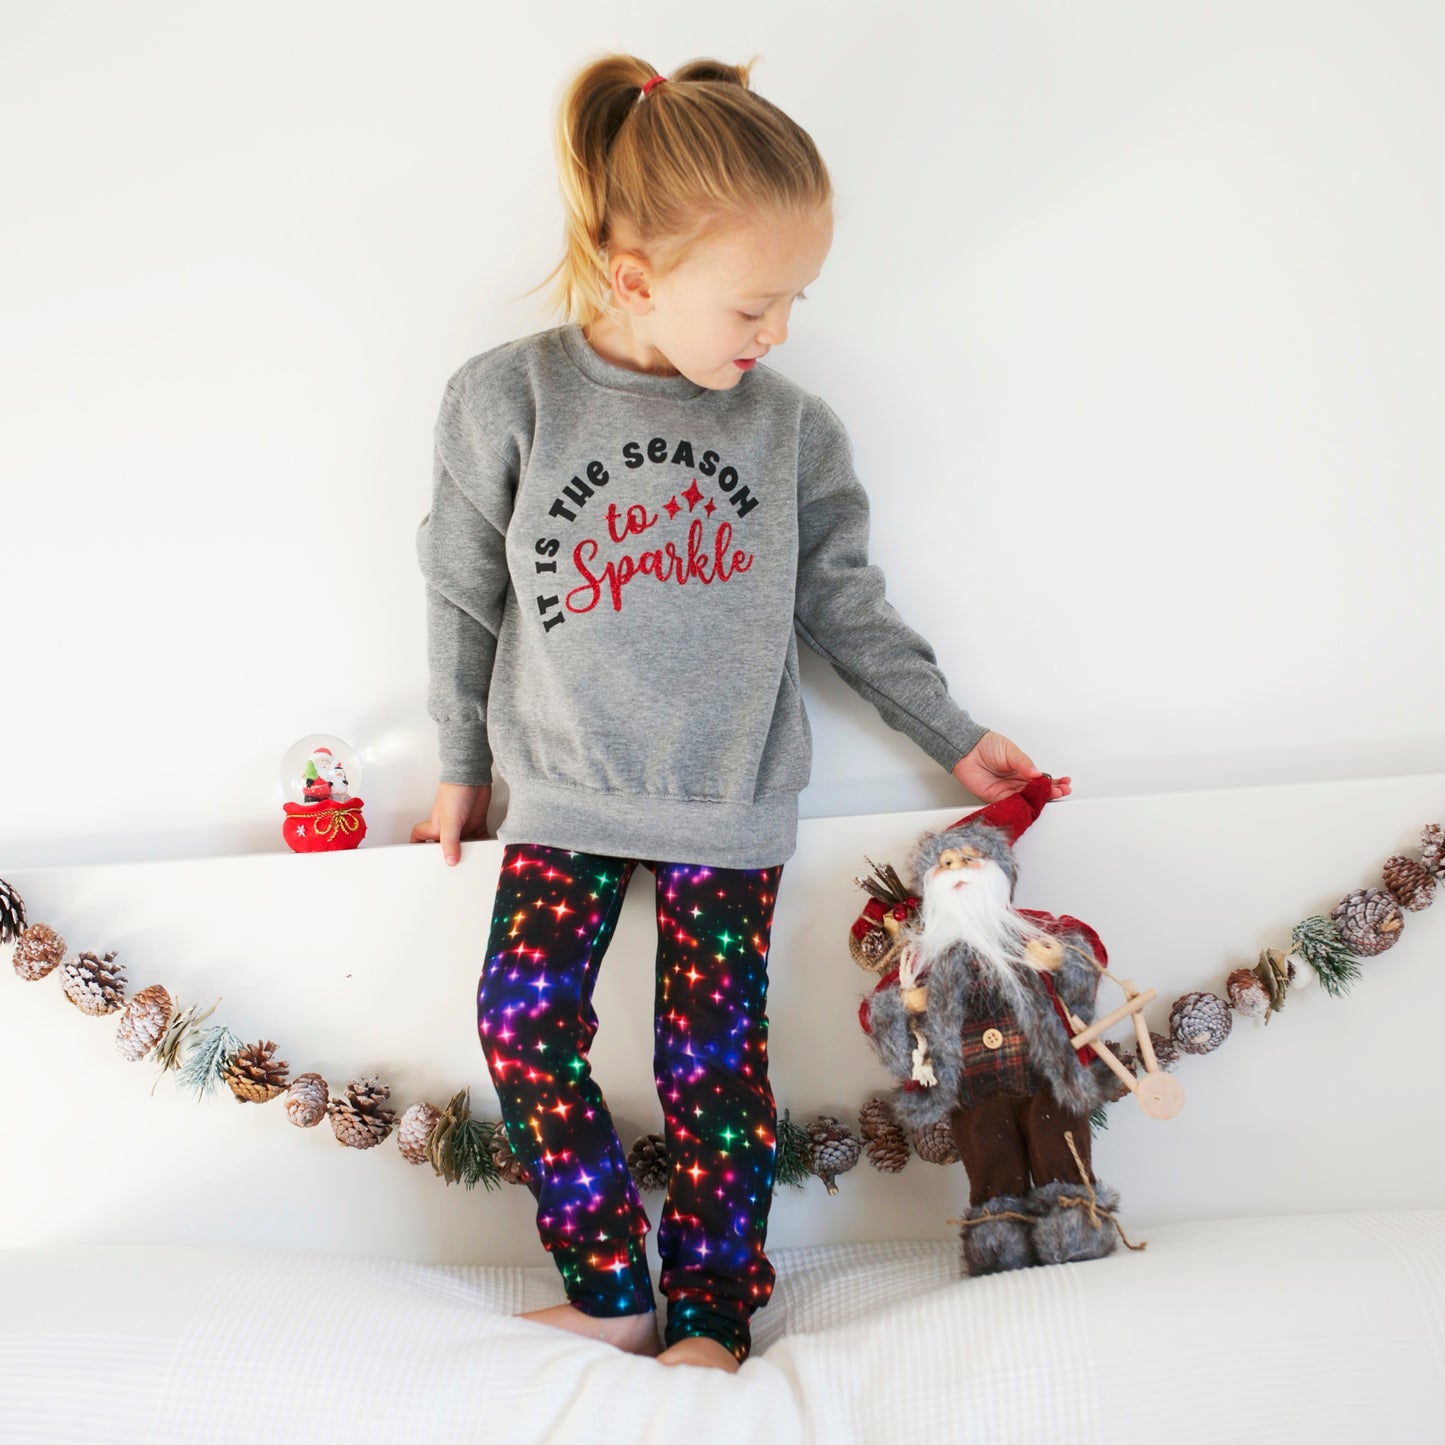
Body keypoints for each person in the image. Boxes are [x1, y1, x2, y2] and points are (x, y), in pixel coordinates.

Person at [410, 54, 1071, 1373]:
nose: (774, 333)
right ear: (634, 275)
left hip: (727, 798)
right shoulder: (506, 398)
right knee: (521, 1021)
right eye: (754, 304)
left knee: (711, 1069)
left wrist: (949, 730)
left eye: (793, 303)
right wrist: (458, 762)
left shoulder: (791, 431)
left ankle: (712, 1316)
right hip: (565, 788)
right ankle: (611, 1285)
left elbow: (844, 605)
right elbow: (462, 590)